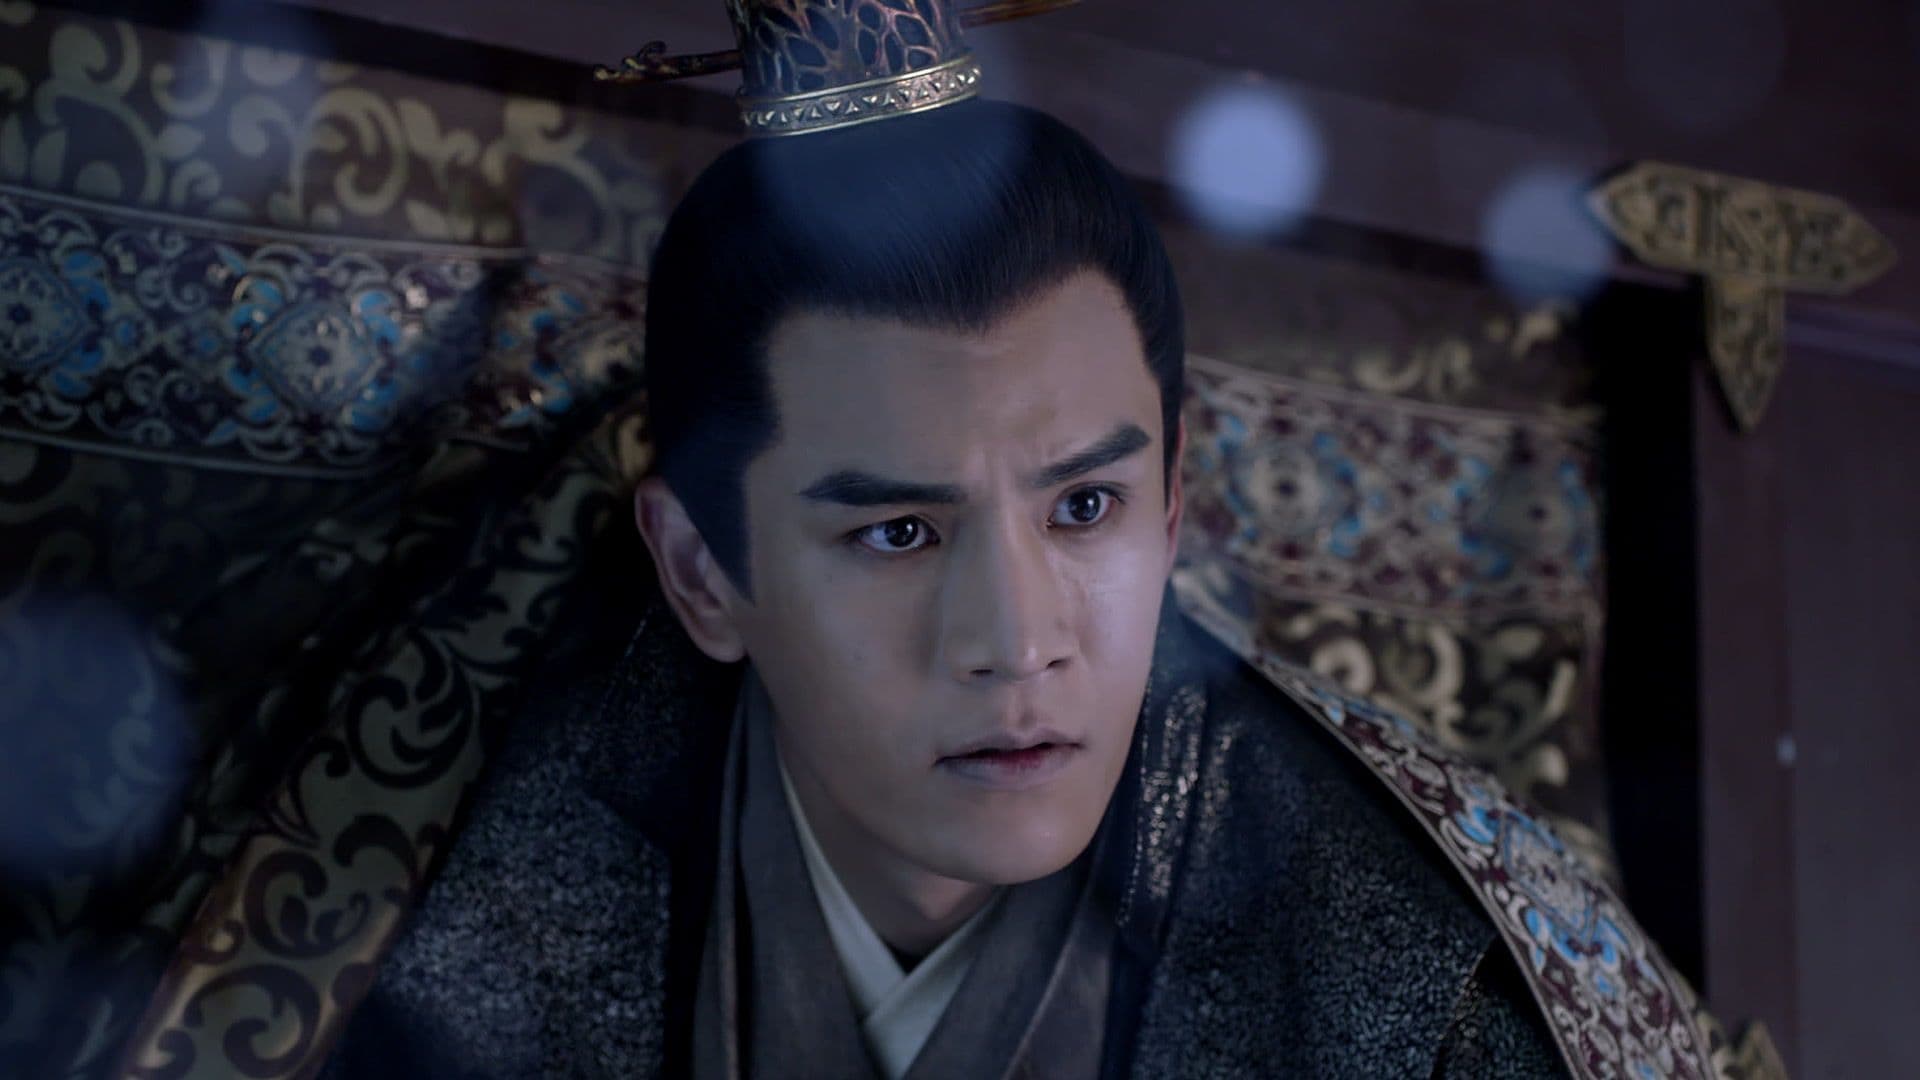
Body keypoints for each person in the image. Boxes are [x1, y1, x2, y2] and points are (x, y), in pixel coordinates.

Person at [312, 3, 1726, 1076]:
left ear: (1172, 505)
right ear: (701, 572)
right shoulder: (478, 877)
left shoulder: (1427, 986)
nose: (1018, 639)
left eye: (1084, 508)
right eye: (899, 530)